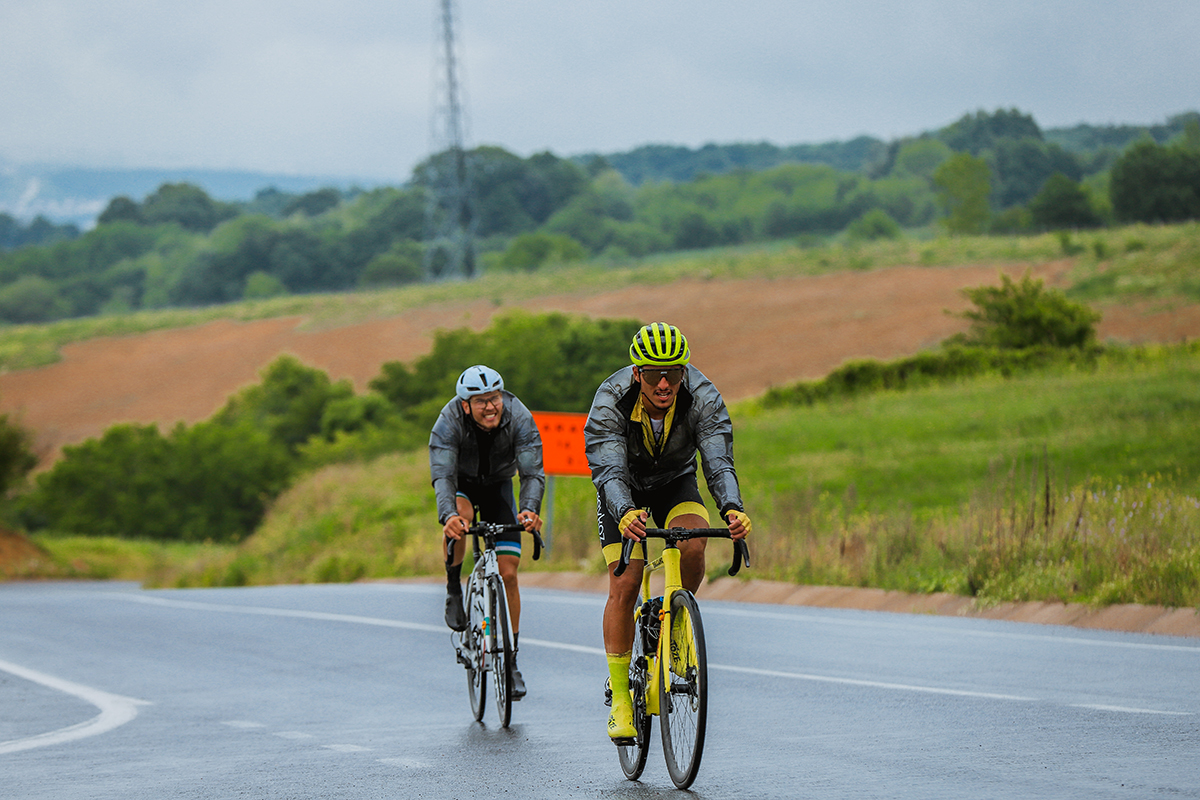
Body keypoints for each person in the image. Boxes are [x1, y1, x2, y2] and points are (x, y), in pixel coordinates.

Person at [584, 322, 751, 740]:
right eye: (655, 373)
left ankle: (671, 620)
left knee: (693, 547)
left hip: (675, 480)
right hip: (622, 486)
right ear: (636, 373)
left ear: (684, 372)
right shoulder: (610, 401)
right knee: (626, 581)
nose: (664, 383)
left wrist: (732, 508)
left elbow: (717, 458)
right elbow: (608, 467)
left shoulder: (703, 397)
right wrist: (624, 511)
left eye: (674, 373)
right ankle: (621, 697)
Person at [430, 364, 545, 698]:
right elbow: (442, 476)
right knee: (461, 518)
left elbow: (532, 472)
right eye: (481, 401)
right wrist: (448, 515)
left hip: (498, 486)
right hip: (461, 485)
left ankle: (510, 661)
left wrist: (529, 510)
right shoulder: (448, 422)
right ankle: (454, 586)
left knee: (508, 572)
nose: (490, 406)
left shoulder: (518, 416)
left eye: (494, 398)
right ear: (466, 405)